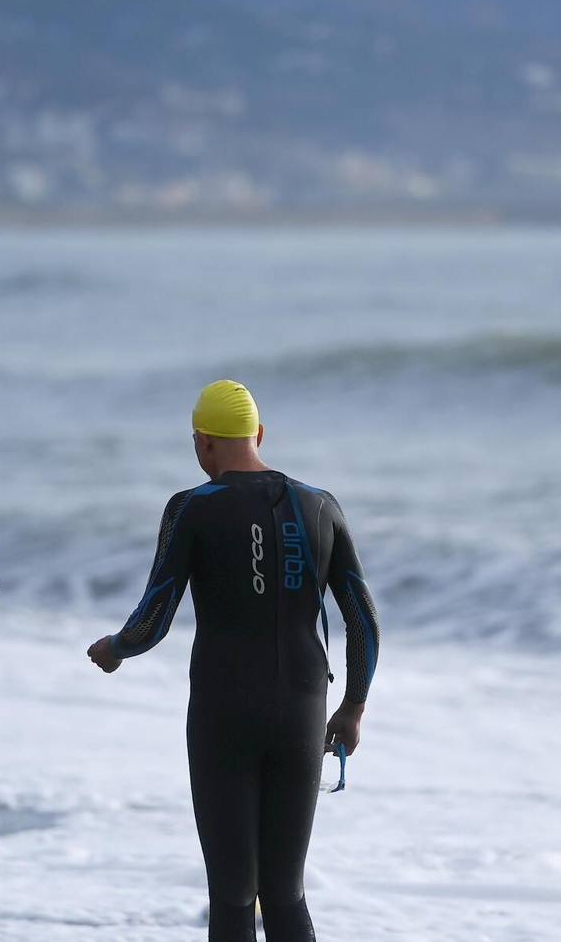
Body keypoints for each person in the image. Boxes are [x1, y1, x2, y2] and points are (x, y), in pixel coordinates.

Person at [88, 379, 380, 942]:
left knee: (232, 895)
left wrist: (115, 649)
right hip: (300, 712)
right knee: (287, 893)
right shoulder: (321, 505)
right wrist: (353, 708)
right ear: (259, 435)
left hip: (225, 713)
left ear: (202, 443)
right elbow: (363, 621)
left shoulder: (192, 507)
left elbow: (154, 617)